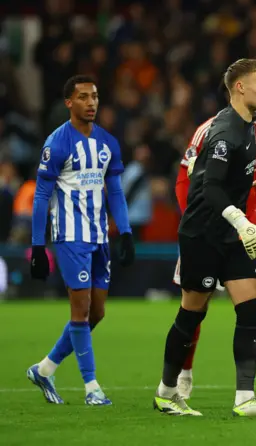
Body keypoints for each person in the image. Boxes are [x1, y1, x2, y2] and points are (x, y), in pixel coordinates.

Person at [153, 58, 256, 418]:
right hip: (202, 235)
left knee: (250, 309)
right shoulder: (225, 132)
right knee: (191, 314)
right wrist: (242, 222)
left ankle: (245, 397)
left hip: (233, 235)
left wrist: (249, 222)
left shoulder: (251, 129)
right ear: (240, 87)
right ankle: (166, 392)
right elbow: (210, 188)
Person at [27, 75, 135, 406]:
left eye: (95, 97)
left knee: (96, 313)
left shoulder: (107, 143)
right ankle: (92, 388)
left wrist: (126, 231)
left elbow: (115, 190)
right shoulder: (57, 142)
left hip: (99, 236)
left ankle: (44, 369)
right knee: (81, 308)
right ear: (69, 103)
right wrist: (37, 246)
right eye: (83, 97)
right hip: (69, 236)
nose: (91, 103)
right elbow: (41, 195)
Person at [173, 115, 256, 400]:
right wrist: (194, 221)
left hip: (246, 231)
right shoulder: (208, 130)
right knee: (196, 305)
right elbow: (183, 179)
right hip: (207, 230)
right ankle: (183, 376)